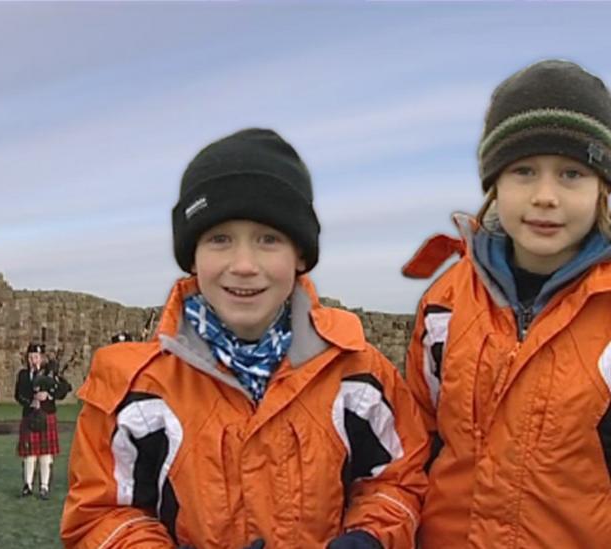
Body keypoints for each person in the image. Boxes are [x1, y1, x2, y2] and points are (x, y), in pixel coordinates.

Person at [62, 128, 429, 548]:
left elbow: (399, 481)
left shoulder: (361, 375)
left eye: (268, 240)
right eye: (220, 239)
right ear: (192, 255)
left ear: (301, 255)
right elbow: (102, 513)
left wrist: (368, 539)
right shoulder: (135, 390)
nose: (243, 264)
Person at [402, 59, 611, 547]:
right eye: (524, 171)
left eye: (572, 174)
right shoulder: (445, 305)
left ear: (605, 187)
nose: (545, 196)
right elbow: (414, 447)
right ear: (494, 183)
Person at [15, 342, 72, 500]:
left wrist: (49, 396)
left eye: (36, 357)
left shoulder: (49, 374)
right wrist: (30, 402)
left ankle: (44, 487)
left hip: (47, 414)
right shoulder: (23, 375)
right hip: (30, 414)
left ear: (41, 358)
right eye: (31, 357)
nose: (33, 360)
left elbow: (65, 389)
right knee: (30, 454)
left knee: (46, 454)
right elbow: (18, 395)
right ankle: (27, 485)